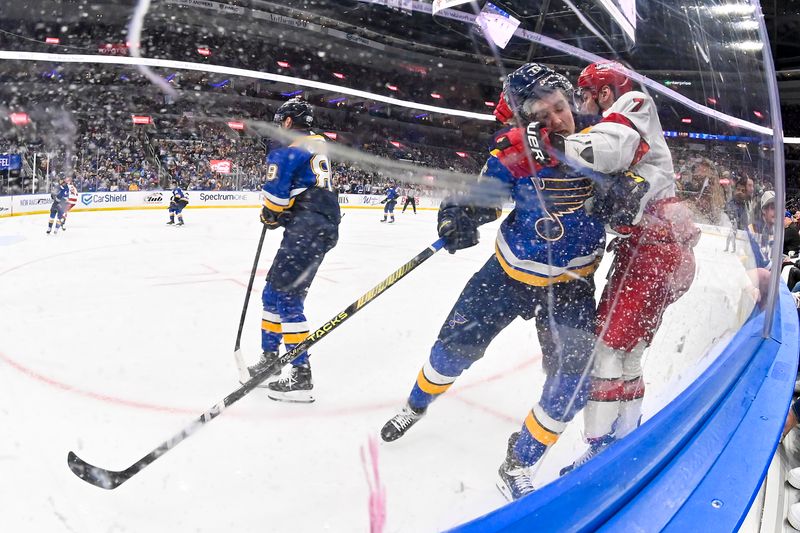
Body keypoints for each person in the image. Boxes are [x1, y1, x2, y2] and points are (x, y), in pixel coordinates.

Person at [379, 63, 606, 501]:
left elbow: (637, 186)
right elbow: (483, 198)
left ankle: (519, 461)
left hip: (572, 285)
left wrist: (629, 198)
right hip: (507, 275)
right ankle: (415, 405)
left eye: (560, 108)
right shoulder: (516, 148)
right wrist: (457, 215)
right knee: (450, 351)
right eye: (542, 116)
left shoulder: (606, 141)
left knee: (574, 382)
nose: (556, 121)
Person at [557, 61, 700, 471]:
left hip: (652, 253)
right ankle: (627, 435)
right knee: (630, 353)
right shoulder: (632, 123)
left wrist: (554, 143)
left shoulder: (631, 102)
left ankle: (601, 446)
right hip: (664, 252)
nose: (581, 102)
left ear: (605, 91)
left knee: (606, 350)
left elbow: (611, 145)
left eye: (586, 93)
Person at [245, 97, 340, 403]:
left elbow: (275, 199)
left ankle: (301, 374)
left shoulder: (288, 148)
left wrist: (271, 214)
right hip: (318, 225)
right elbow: (305, 190)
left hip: (308, 228)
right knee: (273, 293)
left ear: (287, 122)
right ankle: (271, 358)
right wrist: (285, 214)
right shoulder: (318, 143)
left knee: (287, 299)